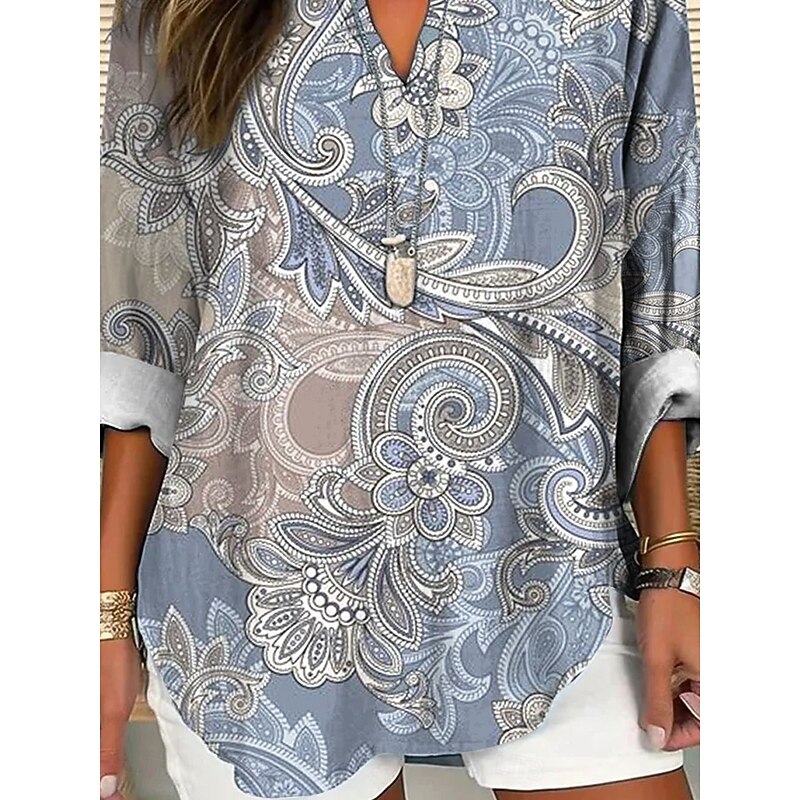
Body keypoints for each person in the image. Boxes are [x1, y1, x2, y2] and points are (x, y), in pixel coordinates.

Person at [99, 1, 701, 799]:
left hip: (559, 564)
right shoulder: (178, 10)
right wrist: (103, 616)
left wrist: (672, 569)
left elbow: (660, 278)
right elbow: (146, 328)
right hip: (255, 596)